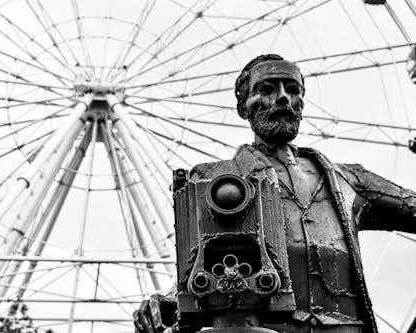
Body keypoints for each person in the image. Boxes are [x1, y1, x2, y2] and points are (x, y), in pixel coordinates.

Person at [134, 54, 416, 333]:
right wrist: (168, 303)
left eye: (293, 90)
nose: (283, 98)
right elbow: (200, 266)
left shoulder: (350, 181)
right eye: (266, 89)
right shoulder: (216, 180)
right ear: (243, 107)